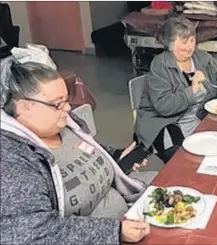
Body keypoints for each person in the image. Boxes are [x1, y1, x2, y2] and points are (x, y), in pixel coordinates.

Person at [0, 58, 155, 244]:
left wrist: (116, 156)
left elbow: (89, 150)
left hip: (127, 214)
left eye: (67, 99)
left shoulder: (65, 124)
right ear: (23, 106)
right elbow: (34, 232)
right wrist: (115, 232)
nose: (67, 108)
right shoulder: (11, 161)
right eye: (57, 104)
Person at [135, 16, 217, 154]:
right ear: (170, 44)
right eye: (184, 42)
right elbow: (164, 106)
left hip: (200, 121)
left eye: (192, 40)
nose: (190, 47)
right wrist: (192, 90)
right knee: (202, 157)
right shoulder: (160, 65)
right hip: (167, 126)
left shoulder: (202, 57)